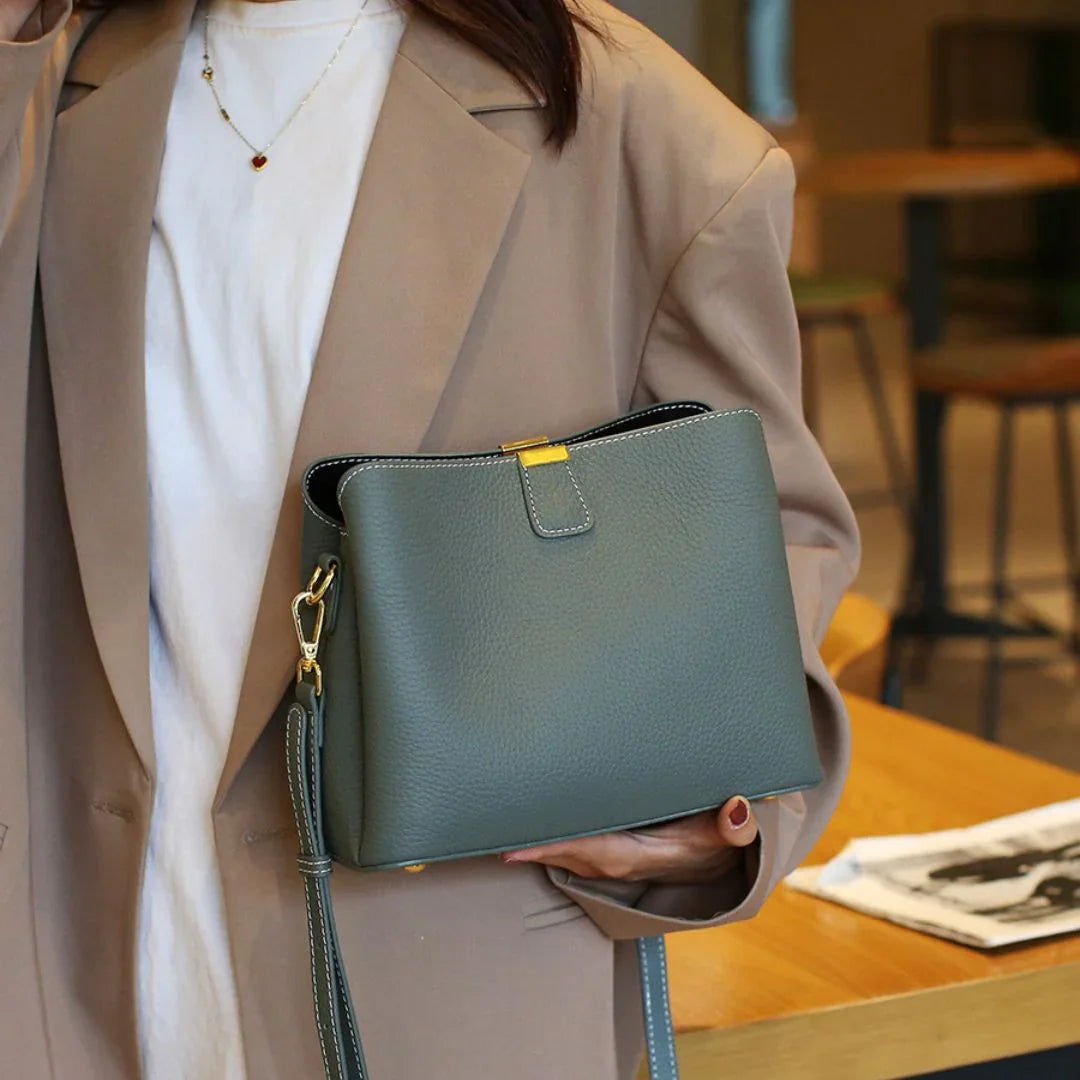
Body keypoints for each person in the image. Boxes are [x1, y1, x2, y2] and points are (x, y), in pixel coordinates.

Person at [0, 0, 860, 1077]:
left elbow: (763, 533)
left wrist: (717, 809)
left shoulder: (641, 133)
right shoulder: (51, 79)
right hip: (75, 970)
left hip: (448, 979)